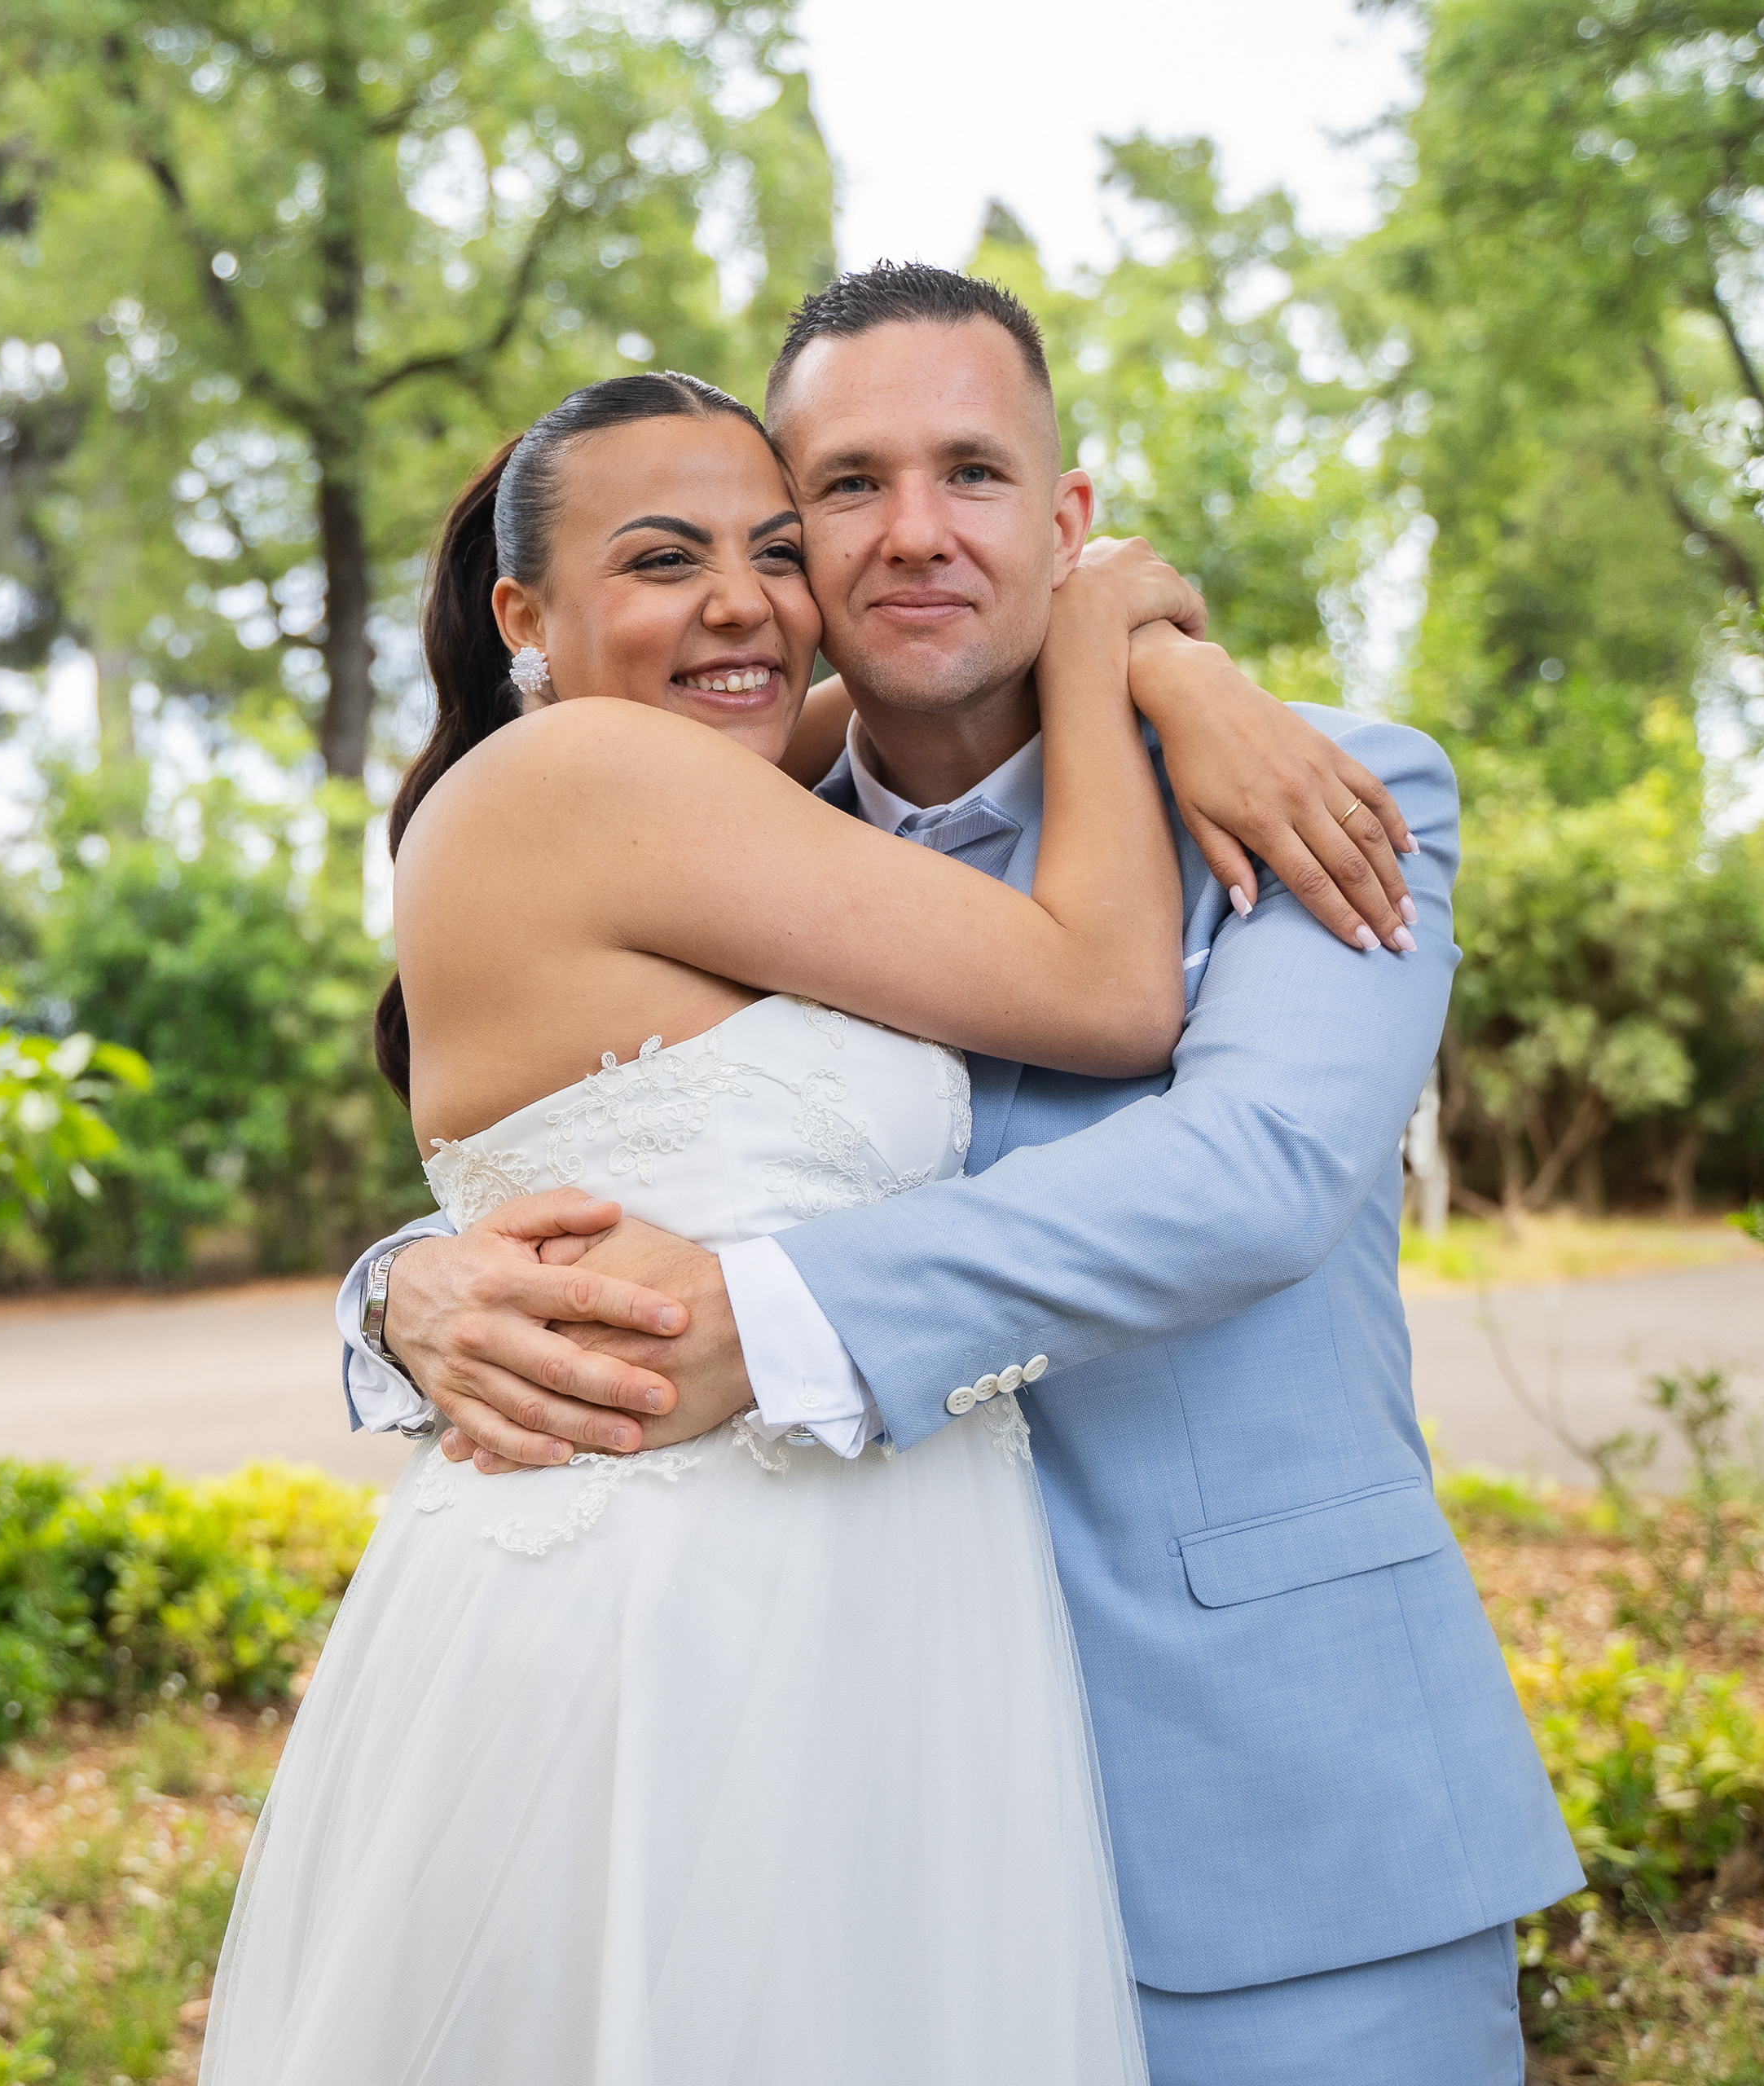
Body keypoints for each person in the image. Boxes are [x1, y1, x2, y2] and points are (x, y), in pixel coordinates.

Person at [333, 266, 1585, 2086]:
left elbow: (1251, 1176)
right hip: (834, 1839)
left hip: (1272, 1819)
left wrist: (1149, 654)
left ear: (1066, 522)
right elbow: (577, 1126)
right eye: (849, 486)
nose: (915, 531)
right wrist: (402, 1289)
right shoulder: (724, 826)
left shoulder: (1317, 787)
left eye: (974, 473)